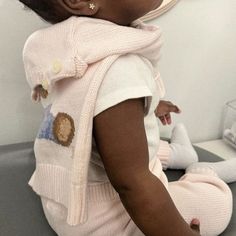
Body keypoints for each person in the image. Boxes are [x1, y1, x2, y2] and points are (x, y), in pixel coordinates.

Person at [19, 0, 235, 235]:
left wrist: (147, 104)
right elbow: (134, 185)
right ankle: (202, 171)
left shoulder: (63, 54)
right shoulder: (118, 67)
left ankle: (177, 154)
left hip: (66, 202)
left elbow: (86, 105)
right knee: (217, 205)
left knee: (128, 149)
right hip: (110, 220)